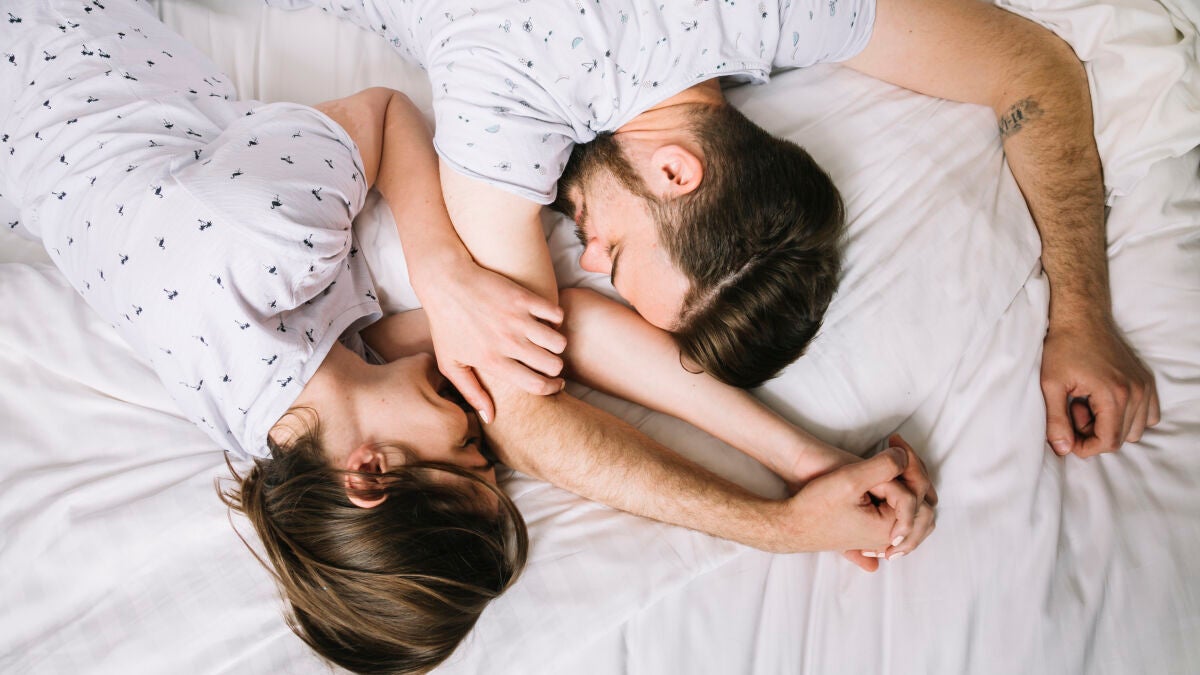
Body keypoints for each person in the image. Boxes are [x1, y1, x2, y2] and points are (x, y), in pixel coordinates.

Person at [1, 1, 934, 672]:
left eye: (467, 454)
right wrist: (802, 462)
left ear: (369, 472)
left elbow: (383, 113)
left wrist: (443, 267)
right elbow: (556, 335)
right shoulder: (276, 417)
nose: (479, 420)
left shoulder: (263, 246)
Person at [280, 0, 1161, 461]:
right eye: (620, 253)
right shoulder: (508, 102)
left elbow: (1030, 69)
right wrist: (791, 505)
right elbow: (520, 406)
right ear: (675, 173)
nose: (587, 257)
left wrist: (1082, 318)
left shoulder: (775, 11)